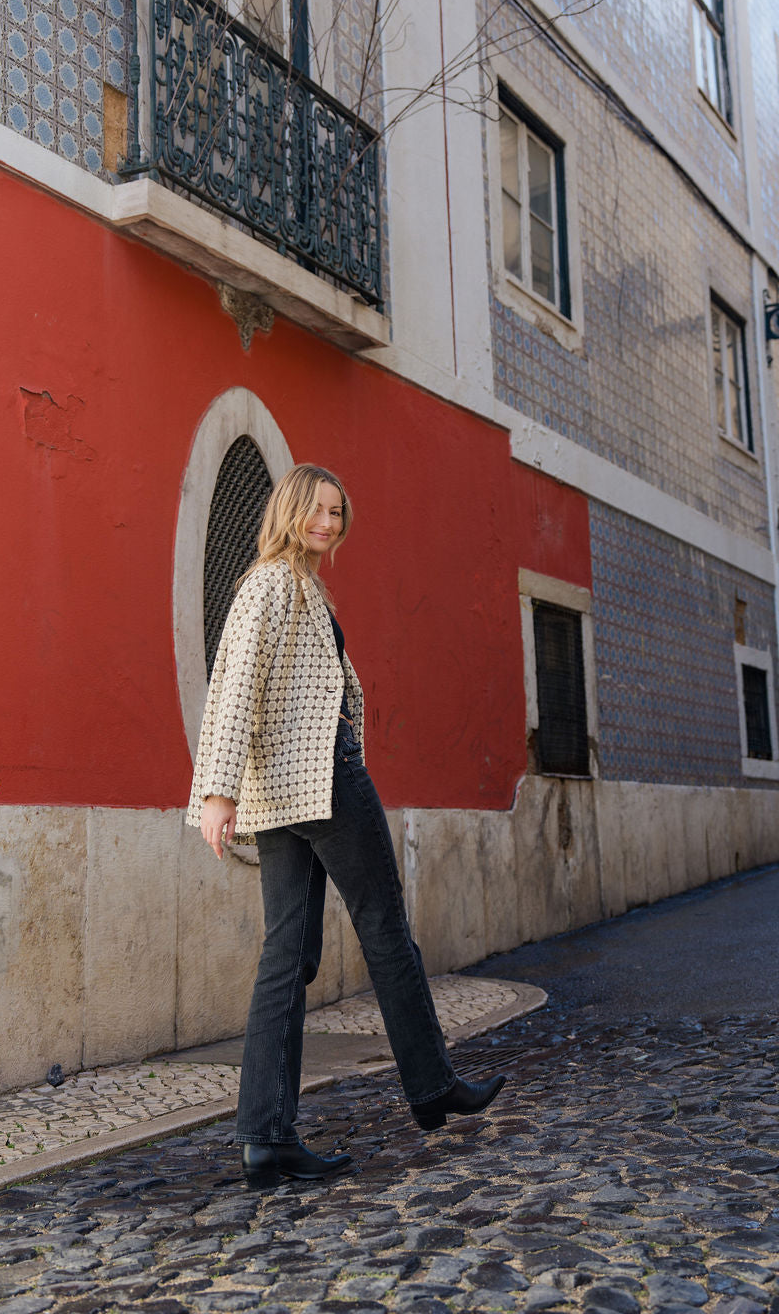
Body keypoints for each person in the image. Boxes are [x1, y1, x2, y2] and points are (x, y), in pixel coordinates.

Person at [188, 463, 506, 1190]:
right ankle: (432, 1087)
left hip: (283, 795)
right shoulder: (273, 584)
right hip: (322, 780)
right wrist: (214, 791)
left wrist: (229, 789)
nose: (329, 524)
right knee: (386, 927)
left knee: (287, 957)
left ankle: (266, 1139)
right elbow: (234, 687)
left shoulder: (293, 583)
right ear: (292, 510)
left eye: (338, 513)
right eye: (318, 511)